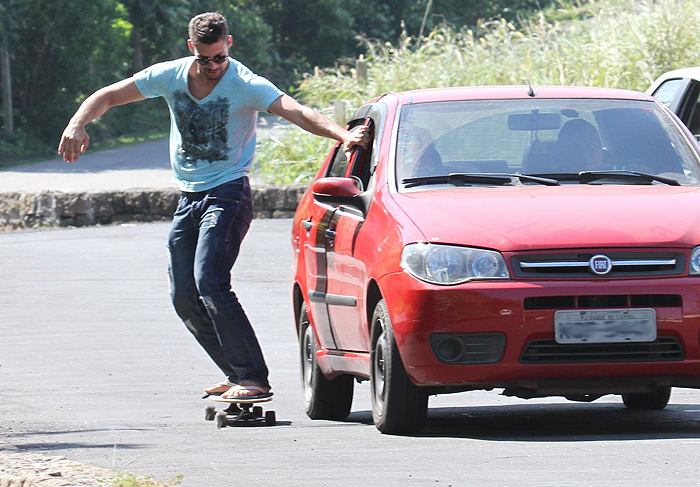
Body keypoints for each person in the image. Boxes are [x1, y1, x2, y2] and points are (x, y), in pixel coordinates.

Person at [57, 12, 369, 400]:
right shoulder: (169, 75)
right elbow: (108, 95)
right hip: (189, 197)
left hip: (229, 193)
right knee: (183, 294)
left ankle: (253, 377)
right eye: (205, 59)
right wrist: (77, 123)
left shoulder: (245, 83)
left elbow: (296, 110)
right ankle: (238, 372)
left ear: (229, 45)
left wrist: (343, 135)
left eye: (219, 57)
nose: (213, 67)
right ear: (192, 49)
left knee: (210, 282)